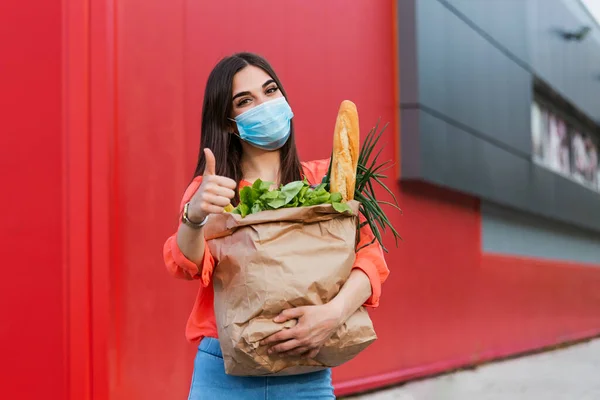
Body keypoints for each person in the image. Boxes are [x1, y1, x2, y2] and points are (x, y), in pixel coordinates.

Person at [162, 52, 390, 400]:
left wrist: (332, 315)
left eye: (270, 91)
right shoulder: (214, 189)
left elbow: (368, 259)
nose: (265, 104)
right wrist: (194, 216)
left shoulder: (325, 182)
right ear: (228, 123)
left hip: (306, 371)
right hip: (225, 371)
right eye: (245, 101)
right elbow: (190, 263)